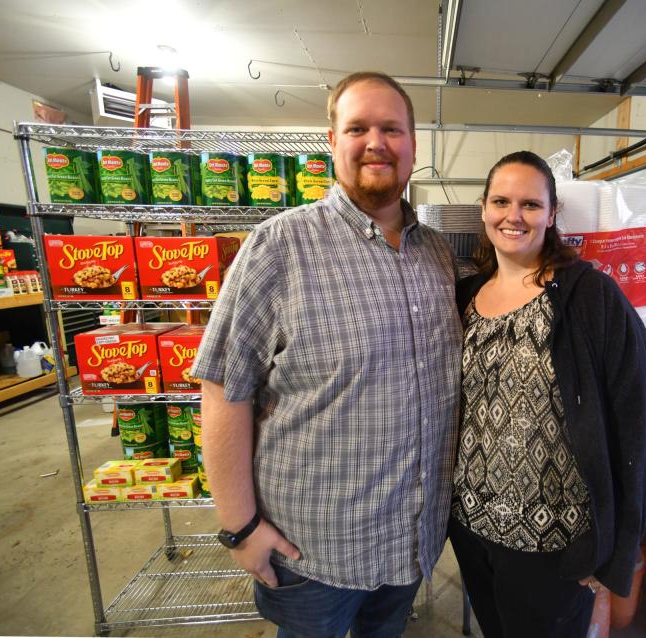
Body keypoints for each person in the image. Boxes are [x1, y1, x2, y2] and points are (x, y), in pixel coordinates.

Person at [192, 71, 463, 638]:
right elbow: (222, 389)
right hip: (312, 549)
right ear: (332, 141)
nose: (376, 142)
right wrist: (241, 527)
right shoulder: (278, 246)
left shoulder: (437, 254)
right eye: (358, 127)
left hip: (411, 541)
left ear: (413, 143)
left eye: (392, 128)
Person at [449, 151, 646, 637]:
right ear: (483, 209)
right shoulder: (463, 298)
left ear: (551, 215)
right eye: (501, 201)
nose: (514, 216)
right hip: (471, 527)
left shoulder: (589, 297)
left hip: (555, 543)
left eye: (530, 204)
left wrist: (617, 544)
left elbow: (644, 421)